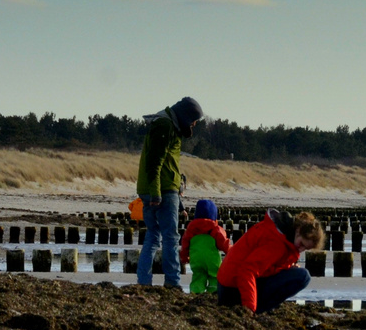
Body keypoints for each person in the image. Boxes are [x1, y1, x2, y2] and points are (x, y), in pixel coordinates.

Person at [135, 96, 202, 288]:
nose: (194, 124)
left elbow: (166, 163)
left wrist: (178, 197)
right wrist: (156, 193)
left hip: (158, 189)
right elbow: (154, 163)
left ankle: (144, 282)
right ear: (185, 116)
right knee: (170, 237)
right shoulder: (165, 126)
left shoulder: (167, 124)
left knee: (153, 235)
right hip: (162, 191)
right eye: (194, 120)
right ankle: (172, 282)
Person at [216, 209, 324, 313]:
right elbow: (247, 270)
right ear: (298, 231)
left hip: (226, 285)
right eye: (301, 244)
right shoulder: (277, 243)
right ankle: (259, 310)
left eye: (305, 249)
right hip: (231, 290)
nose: (300, 250)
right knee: (303, 277)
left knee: (295, 273)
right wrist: (249, 308)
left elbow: (266, 266)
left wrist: (287, 266)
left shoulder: (278, 229)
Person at [180, 199, 231, 294]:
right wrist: (231, 252)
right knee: (215, 276)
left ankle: (196, 292)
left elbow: (185, 244)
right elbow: (224, 243)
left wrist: (184, 257)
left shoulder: (191, 229)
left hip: (196, 258)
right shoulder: (215, 229)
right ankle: (213, 292)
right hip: (212, 259)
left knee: (198, 275)